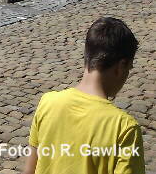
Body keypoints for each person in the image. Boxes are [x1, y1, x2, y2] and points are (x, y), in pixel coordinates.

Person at [23, 16, 145, 173]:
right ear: (121, 66)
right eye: (129, 69)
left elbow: (29, 171)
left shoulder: (47, 103)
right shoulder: (125, 129)